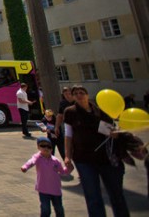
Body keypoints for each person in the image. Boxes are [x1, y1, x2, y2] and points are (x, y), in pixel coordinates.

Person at [64, 85, 130, 217]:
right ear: (72, 96)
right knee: (92, 196)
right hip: (83, 159)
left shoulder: (100, 111)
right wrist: (67, 156)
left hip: (106, 158)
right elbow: (68, 135)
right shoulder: (70, 112)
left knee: (116, 193)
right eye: (75, 93)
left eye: (82, 92)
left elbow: (111, 130)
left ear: (87, 95)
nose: (79, 95)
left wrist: (115, 133)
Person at [21, 136, 73, 217]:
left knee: (59, 209)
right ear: (38, 147)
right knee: (45, 210)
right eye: (43, 146)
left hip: (55, 189)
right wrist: (25, 167)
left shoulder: (55, 161)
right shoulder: (38, 158)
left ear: (52, 149)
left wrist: (69, 169)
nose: (46, 148)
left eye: (49, 146)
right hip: (43, 189)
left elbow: (62, 171)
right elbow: (31, 161)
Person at [54, 87, 74, 160]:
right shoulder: (63, 103)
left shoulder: (78, 101)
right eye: (65, 94)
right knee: (67, 140)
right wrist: (56, 127)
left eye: (69, 94)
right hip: (68, 125)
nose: (68, 96)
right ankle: (68, 156)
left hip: (79, 125)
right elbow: (60, 115)